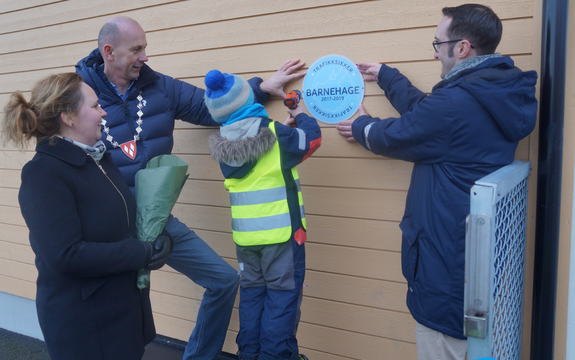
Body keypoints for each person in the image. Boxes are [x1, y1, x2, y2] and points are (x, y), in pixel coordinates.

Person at [75, 16, 305, 360]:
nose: (145, 56)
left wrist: (259, 87)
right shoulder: (79, 94)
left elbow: (209, 108)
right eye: (137, 49)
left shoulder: (160, 88)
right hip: (108, 226)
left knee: (224, 281)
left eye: (145, 48)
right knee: (120, 308)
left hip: (156, 219)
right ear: (109, 52)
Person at [336, 4, 537, 360]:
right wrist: (387, 76)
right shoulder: (490, 92)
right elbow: (429, 114)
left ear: (461, 48)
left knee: (444, 342)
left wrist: (363, 126)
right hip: (473, 258)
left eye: (436, 42)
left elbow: (401, 135)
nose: (433, 51)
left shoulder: (458, 102)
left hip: (447, 267)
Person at [2, 72, 173, 360]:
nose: (103, 112)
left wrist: (156, 241)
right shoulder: (43, 174)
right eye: (94, 106)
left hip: (121, 311)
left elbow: (118, 225)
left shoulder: (98, 160)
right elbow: (65, 255)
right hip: (87, 325)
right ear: (68, 116)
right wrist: (139, 253)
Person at [203, 70, 321, 360]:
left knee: (253, 300)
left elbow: (256, 152)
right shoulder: (276, 136)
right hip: (282, 236)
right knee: (281, 302)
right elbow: (312, 141)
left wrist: (280, 128)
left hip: (247, 238)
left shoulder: (225, 145)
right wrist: (300, 112)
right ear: (248, 98)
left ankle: (249, 355)